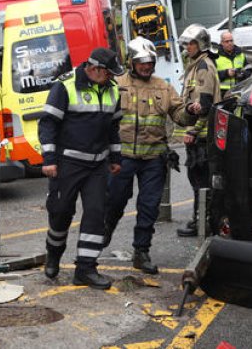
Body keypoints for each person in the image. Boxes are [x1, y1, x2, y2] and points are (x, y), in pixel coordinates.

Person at [39, 48, 124, 289]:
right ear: (94, 69)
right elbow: (47, 125)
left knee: (97, 214)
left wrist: (116, 156)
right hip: (67, 163)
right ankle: (53, 255)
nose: (111, 78)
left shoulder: (112, 89)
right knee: (61, 212)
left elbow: (113, 128)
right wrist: (49, 159)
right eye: (108, 73)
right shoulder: (64, 86)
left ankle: (85, 268)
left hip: (97, 165)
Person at [103, 38, 185, 275]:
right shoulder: (116, 84)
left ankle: (142, 252)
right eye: (141, 62)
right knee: (115, 200)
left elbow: (179, 113)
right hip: (122, 157)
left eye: (150, 62)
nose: (146, 66)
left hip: (154, 158)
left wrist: (190, 111)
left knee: (149, 206)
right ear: (131, 62)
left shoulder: (163, 86)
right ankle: (107, 228)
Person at [176, 24, 219, 238]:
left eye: (190, 43)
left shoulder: (203, 66)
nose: (187, 47)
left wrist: (193, 131)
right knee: (198, 181)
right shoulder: (196, 64)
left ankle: (203, 223)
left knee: (201, 183)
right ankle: (201, 220)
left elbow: (205, 104)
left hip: (202, 137)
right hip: (199, 135)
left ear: (200, 44)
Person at [214, 31, 247, 97]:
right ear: (222, 43)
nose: (230, 43)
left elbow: (249, 69)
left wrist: (241, 73)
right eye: (227, 41)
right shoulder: (215, 56)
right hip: (221, 93)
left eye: (231, 41)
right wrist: (226, 73)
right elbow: (211, 76)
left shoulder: (241, 54)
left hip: (238, 91)